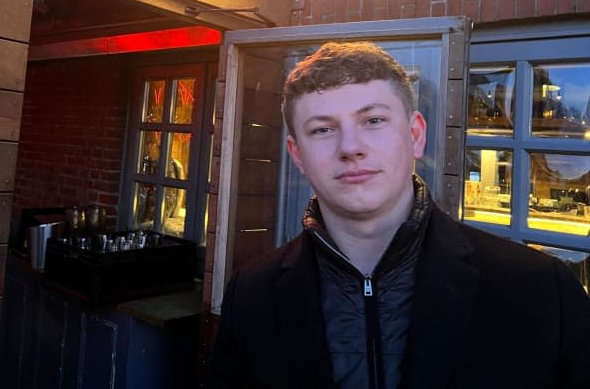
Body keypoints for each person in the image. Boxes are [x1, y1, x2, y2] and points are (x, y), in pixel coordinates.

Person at [208, 41, 590, 389]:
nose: (351, 147)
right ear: (297, 155)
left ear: (415, 135)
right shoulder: (252, 296)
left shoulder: (538, 290)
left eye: (373, 120)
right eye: (323, 129)